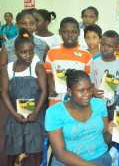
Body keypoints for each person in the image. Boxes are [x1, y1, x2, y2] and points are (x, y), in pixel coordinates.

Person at [45, 69, 113, 166]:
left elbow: (104, 138)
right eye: (81, 90)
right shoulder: (55, 112)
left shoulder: (98, 105)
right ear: (69, 91)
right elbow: (60, 153)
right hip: (66, 161)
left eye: (89, 89)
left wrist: (111, 132)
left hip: (99, 157)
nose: (87, 94)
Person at [1, 28, 47, 166]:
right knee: (13, 145)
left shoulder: (38, 67)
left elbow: (44, 91)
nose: (28, 55)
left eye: (31, 52)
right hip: (15, 113)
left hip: (35, 115)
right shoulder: (8, 69)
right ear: (15, 52)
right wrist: (14, 114)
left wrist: (35, 113)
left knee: (37, 145)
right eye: (23, 52)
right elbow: (4, 92)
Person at [44, 17, 92, 106]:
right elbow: (47, 71)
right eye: (66, 32)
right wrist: (50, 84)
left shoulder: (86, 54)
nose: (70, 35)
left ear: (78, 32)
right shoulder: (52, 52)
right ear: (60, 32)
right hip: (56, 99)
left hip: (77, 102)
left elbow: (89, 78)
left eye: (73, 32)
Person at [90, 30, 119, 120]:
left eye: (110, 46)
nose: (105, 48)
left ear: (117, 47)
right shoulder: (94, 63)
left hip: (115, 106)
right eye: (103, 44)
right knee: (99, 130)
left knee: (113, 132)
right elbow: (91, 84)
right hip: (97, 105)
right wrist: (92, 91)